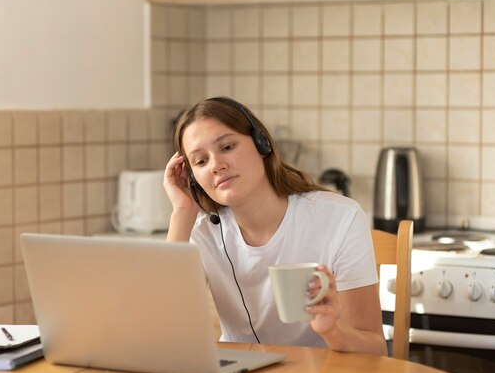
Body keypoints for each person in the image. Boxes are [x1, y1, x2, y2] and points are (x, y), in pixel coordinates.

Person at [163, 97, 387, 356]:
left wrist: (332, 331)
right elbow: (163, 332)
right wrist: (181, 213)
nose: (216, 165)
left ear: (262, 144)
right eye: (200, 161)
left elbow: (376, 348)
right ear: (193, 179)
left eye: (227, 146)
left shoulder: (340, 218)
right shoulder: (201, 231)